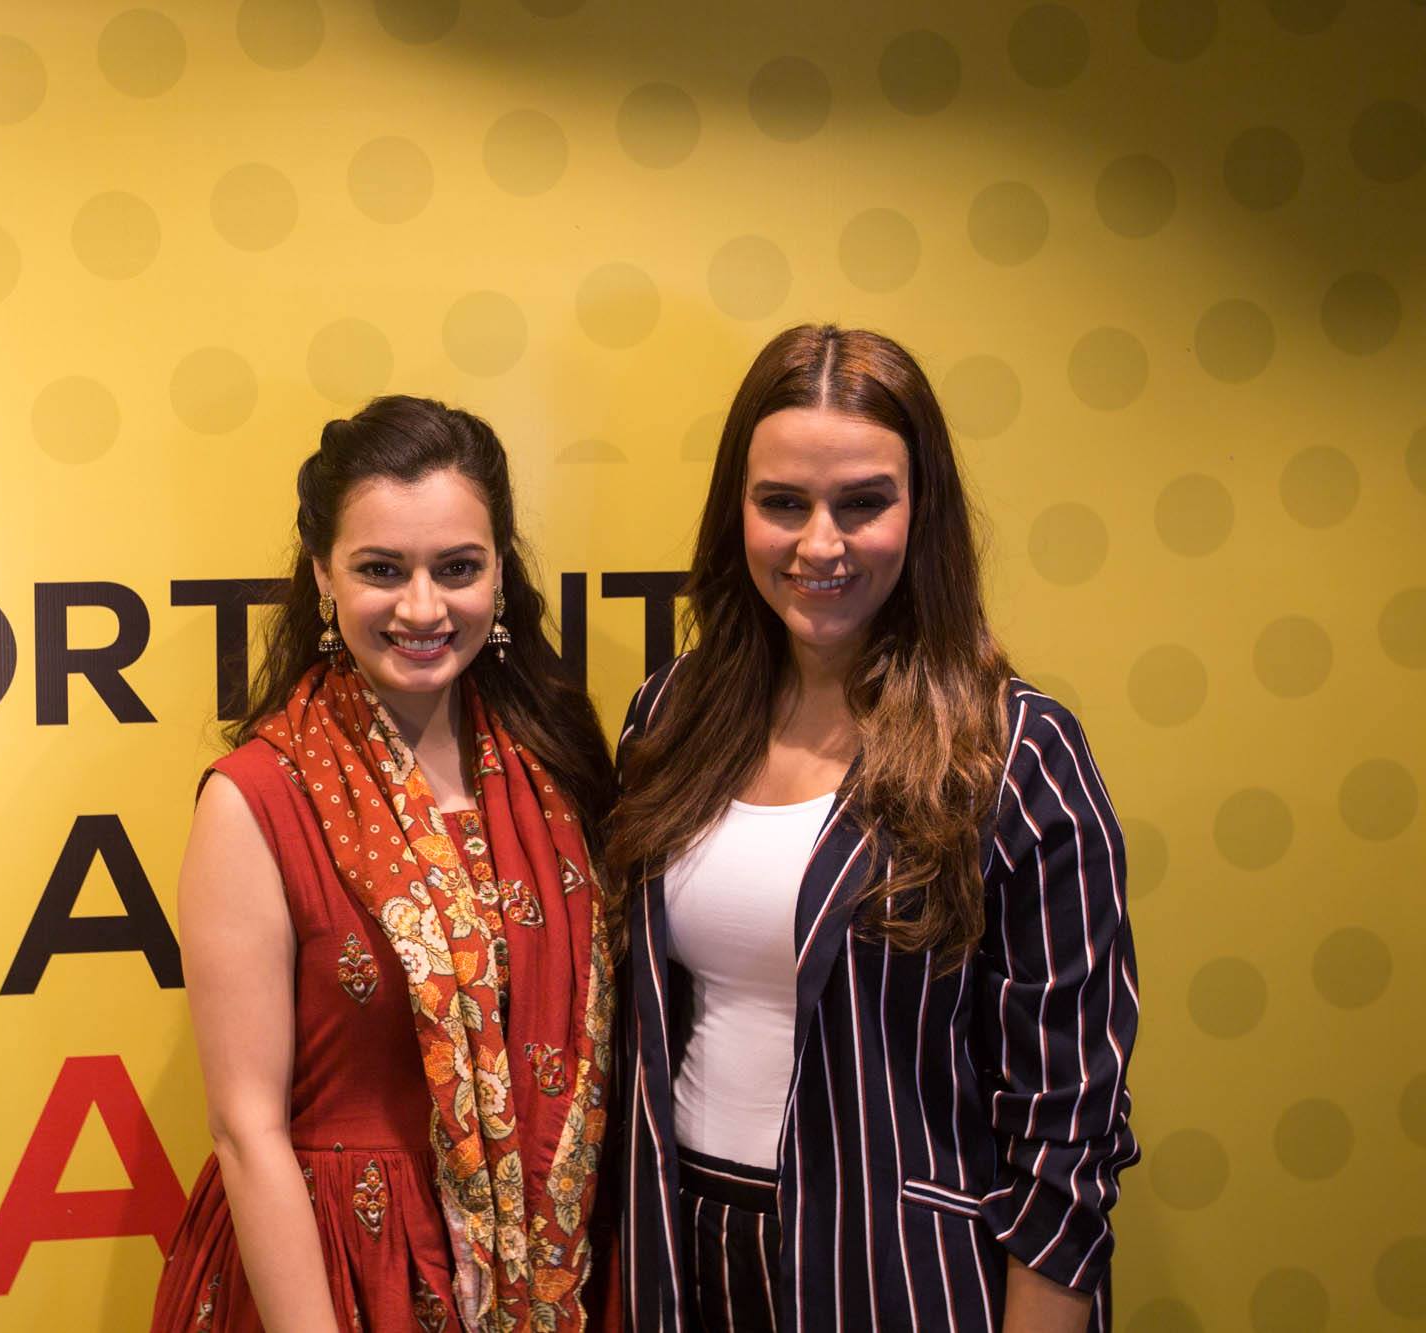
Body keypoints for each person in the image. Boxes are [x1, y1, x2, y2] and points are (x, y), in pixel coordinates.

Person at [609, 325, 1139, 1333]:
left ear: (920, 510)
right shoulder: (667, 717)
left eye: (862, 503)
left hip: (900, 1275)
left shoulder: (1015, 753)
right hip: (679, 1252)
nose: (820, 544)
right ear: (735, 511)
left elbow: (1065, 1132)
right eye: (782, 503)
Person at [149, 395, 621, 1333]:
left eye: (457, 567)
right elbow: (246, 1130)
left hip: (555, 1271)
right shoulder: (257, 799)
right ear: (322, 573)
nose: (423, 607)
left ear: (500, 570)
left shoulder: (558, 763)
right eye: (381, 569)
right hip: (341, 1278)